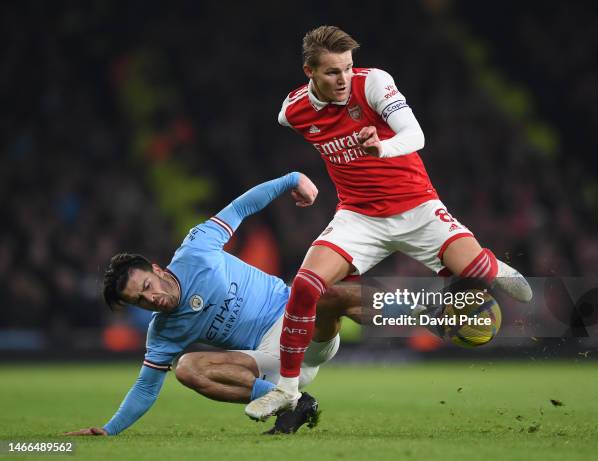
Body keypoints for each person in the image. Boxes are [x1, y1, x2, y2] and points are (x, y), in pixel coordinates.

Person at [245, 25, 533, 420]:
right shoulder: (293, 111)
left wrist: (384, 147)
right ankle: (287, 390)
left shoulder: (374, 83)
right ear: (309, 72)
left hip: (417, 208)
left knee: (482, 274)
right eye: (332, 72)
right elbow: (284, 116)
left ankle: (490, 265)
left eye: (348, 67)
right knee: (306, 285)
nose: (344, 79)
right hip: (358, 216)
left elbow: (415, 135)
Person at [64, 172, 362, 436]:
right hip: (271, 363)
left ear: (156, 269)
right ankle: (291, 400)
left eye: (146, 286)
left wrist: (291, 180)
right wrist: (108, 430)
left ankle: (404, 311)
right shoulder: (164, 332)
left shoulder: (196, 249)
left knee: (327, 293)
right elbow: (145, 388)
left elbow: (242, 206)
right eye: (139, 301)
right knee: (186, 368)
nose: (150, 298)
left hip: (297, 324)